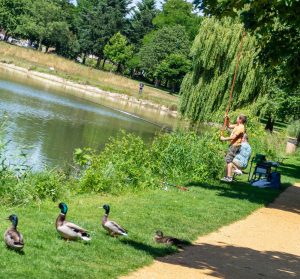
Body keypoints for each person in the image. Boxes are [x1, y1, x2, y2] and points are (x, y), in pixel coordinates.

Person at [220, 114, 247, 182]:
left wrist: (224, 138)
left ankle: (229, 177)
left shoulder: (241, 128)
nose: (236, 119)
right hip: (233, 145)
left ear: (240, 120)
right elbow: (229, 126)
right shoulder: (237, 125)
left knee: (229, 160)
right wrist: (227, 119)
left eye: (237, 118)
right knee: (228, 159)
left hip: (235, 145)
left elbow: (233, 137)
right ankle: (227, 176)